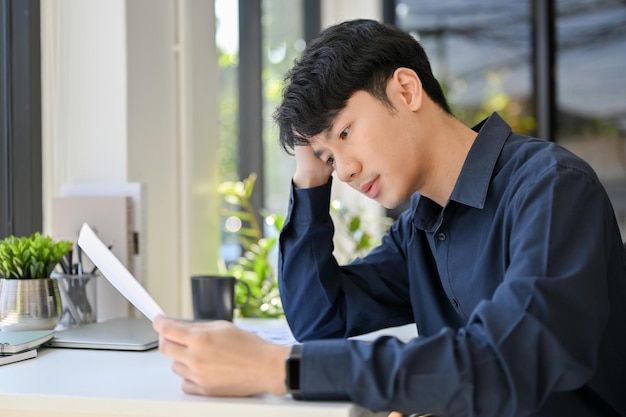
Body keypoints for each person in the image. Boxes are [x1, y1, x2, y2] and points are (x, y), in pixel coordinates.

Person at [153, 19, 626, 416]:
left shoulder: (550, 186)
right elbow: (322, 322)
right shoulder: (421, 229)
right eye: (330, 158)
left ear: (406, 88)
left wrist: (279, 368)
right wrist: (308, 177)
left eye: (345, 132)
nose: (347, 169)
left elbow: (509, 360)